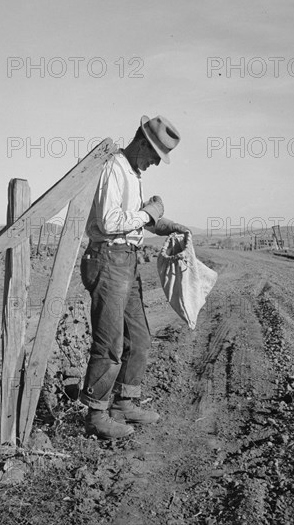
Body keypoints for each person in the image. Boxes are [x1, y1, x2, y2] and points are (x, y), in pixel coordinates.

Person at [80, 114, 191, 440]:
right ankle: (96, 414)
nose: (155, 163)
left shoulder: (132, 172)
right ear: (142, 142)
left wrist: (166, 223)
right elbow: (111, 221)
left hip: (125, 260)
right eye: (155, 155)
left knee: (139, 337)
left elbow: (137, 219)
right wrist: (148, 213)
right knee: (109, 342)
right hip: (107, 258)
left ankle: (125, 402)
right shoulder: (114, 167)